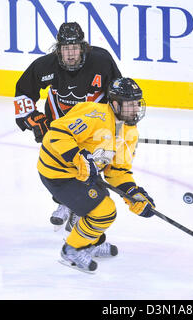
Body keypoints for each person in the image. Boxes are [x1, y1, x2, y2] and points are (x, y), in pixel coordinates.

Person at [37, 77, 155, 272]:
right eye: (130, 105)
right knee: (103, 211)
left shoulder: (130, 132)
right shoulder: (95, 115)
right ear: (115, 104)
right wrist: (77, 157)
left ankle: (91, 241)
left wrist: (133, 194)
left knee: (100, 203)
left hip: (81, 175)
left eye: (137, 104)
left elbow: (117, 171)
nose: (135, 109)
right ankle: (71, 250)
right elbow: (57, 133)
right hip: (57, 172)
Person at [14, 22, 122, 231]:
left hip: (92, 131)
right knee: (59, 166)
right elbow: (23, 92)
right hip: (60, 130)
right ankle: (66, 202)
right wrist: (31, 117)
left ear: (83, 48)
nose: (70, 54)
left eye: (74, 48)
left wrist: (117, 129)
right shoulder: (45, 66)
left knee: (89, 168)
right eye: (65, 48)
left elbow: (118, 93)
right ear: (58, 49)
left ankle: (79, 212)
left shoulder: (101, 61)